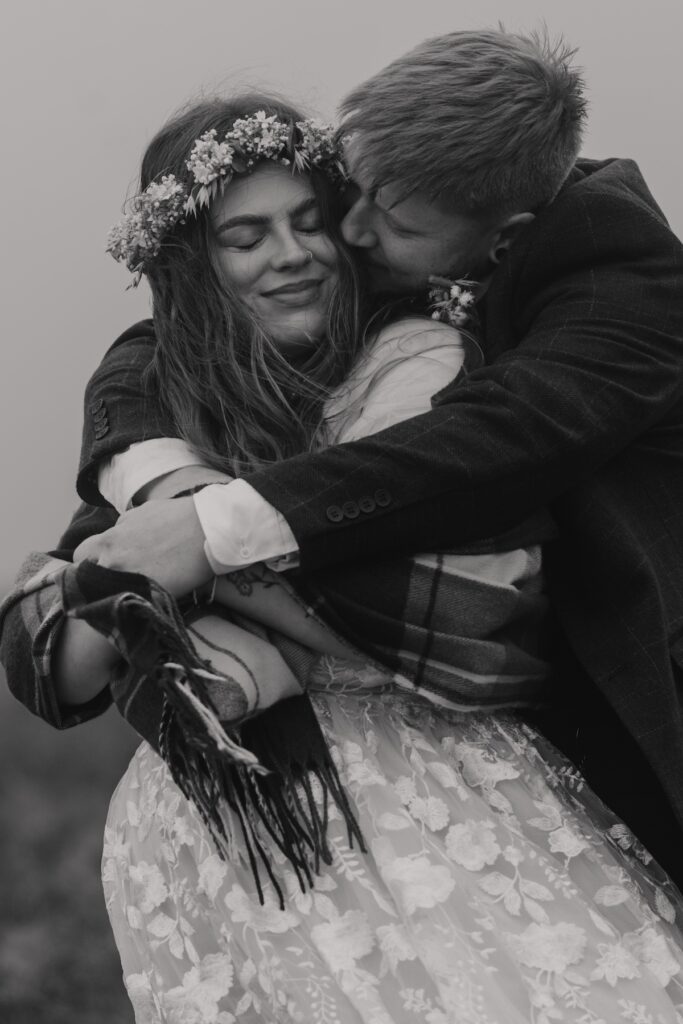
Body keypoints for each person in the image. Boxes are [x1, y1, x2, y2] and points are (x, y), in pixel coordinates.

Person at [4, 72, 683, 1022]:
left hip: (441, 797)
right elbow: (50, 663)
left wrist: (184, 559)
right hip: (234, 827)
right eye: (245, 238)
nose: (301, 253)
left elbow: (449, 610)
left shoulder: (420, 357)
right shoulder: (166, 406)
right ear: (197, 266)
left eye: (309, 221)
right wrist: (150, 546)